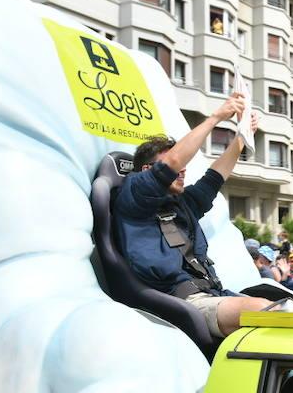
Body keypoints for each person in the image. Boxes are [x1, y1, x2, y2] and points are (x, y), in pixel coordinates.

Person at [115, 93, 277, 339]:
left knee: (286, 306)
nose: (182, 170)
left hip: (212, 294)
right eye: (174, 166)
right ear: (148, 171)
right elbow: (175, 159)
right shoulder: (134, 194)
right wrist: (217, 116)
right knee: (262, 311)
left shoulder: (183, 203)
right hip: (178, 302)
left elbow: (215, 176)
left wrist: (242, 137)